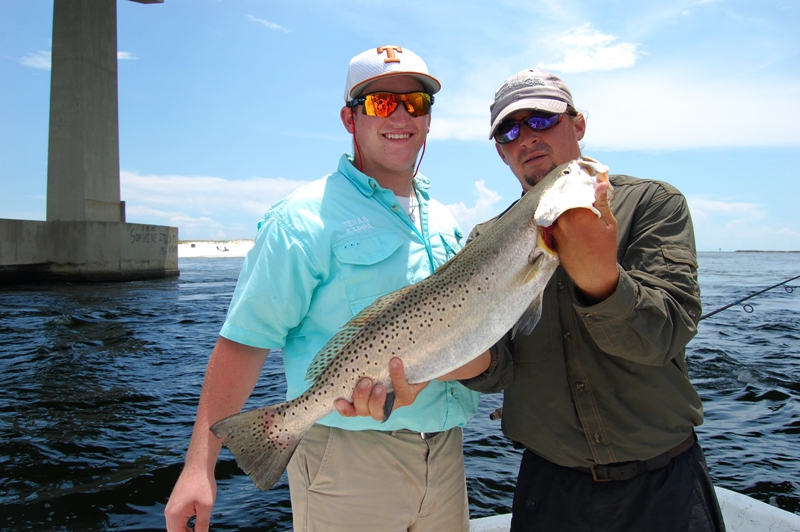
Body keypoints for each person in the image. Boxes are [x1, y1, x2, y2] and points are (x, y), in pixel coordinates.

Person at [349, 68, 726, 531]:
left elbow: (664, 334)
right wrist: (432, 361)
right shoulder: (485, 241)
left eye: (542, 120)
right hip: (550, 493)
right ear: (501, 151)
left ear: (578, 124)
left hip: (665, 485)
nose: (526, 137)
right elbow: (499, 370)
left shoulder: (653, 204)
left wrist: (599, 274)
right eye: (509, 130)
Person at [163, 46, 480, 532]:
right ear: (349, 120)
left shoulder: (445, 220)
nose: (400, 114)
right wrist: (198, 468)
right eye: (379, 103)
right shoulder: (300, 219)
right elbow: (244, 343)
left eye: (415, 102)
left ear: (429, 119)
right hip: (345, 458)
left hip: (447, 451)